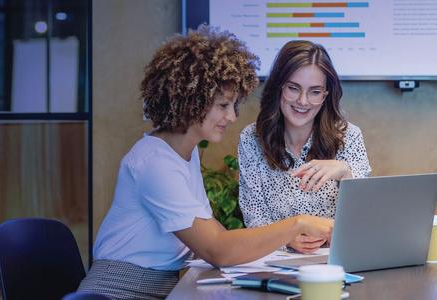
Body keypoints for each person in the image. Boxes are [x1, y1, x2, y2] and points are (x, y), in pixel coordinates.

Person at [78, 27, 333, 299]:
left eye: (233, 106)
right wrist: (297, 224)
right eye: (223, 105)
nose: (232, 117)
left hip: (160, 288)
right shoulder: (154, 163)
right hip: (117, 291)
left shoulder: (183, 153)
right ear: (192, 102)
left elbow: (215, 235)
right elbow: (217, 248)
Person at [238, 40, 371, 254]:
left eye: (315, 92)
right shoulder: (251, 139)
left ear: (326, 95)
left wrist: (346, 172)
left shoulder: (349, 136)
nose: (303, 101)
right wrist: (287, 239)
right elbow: (254, 215)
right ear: (279, 87)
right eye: (293, 88)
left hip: (336, 260)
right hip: (275, 260)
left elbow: (365, 217)